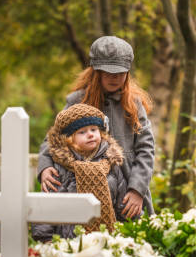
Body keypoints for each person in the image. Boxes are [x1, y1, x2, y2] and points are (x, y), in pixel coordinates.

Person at [38, 36, 155, 218]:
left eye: (120, 73)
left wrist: (137, 189)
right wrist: (45, 167)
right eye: (107, 72)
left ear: (128, 73)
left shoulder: (134, 104)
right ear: (95, 71)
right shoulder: (78, 101)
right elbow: (53, 139)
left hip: (128, 194)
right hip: (84, 188)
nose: (114, 78)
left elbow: (146, 149)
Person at [32, 104, 128, 242]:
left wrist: (130, 229)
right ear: (69, 139)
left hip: (107, 237)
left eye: (93, 130)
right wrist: (45, 238)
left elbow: (121, 201)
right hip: (69, 240)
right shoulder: (60, 168)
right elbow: (47, 205)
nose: (90, 134)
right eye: (82, 132)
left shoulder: (112, 164)